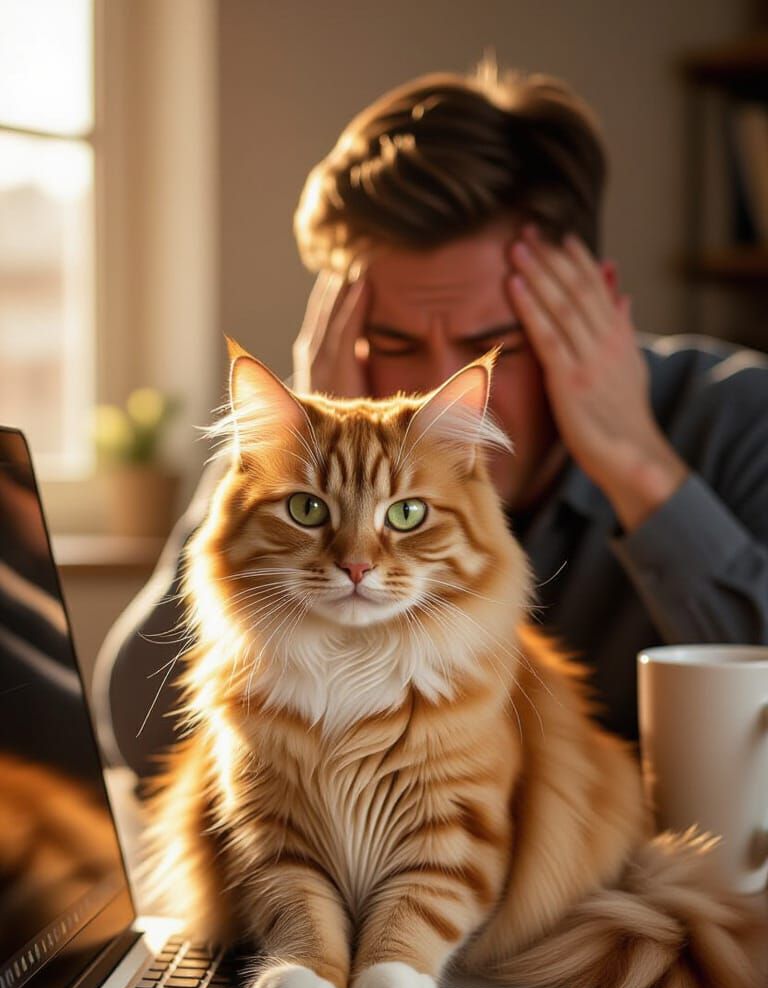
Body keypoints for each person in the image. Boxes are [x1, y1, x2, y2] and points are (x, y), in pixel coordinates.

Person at [93, 58, 768, 779]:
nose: (433, 389)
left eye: (491, 347)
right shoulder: (316, 456)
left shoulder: (736, 417)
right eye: (393, 342)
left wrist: (640, 468)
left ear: (592, 305)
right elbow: (147, 738)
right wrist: (287, 452)